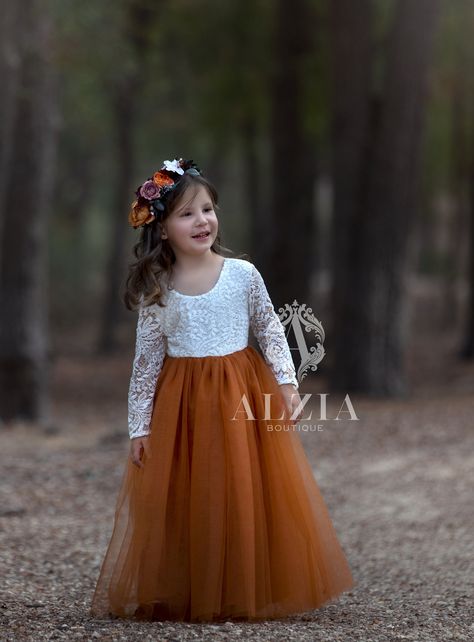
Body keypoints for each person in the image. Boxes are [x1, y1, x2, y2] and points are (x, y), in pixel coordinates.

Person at [90, 157, 354, 622]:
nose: (202, 221)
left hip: (240, 394)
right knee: (190, 496)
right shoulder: (158, 287)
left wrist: (289, 385)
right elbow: (147, 363)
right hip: (182, 405)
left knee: (244, 490)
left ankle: (244, 584)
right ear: (163, 227)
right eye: (187, 214)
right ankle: (192, 585)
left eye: (208, 209)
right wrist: (140, 426)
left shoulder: (242, 275)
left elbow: (270, 329)